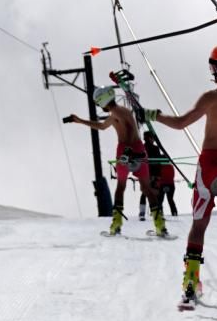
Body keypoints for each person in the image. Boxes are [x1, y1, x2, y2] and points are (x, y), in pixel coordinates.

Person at [143, 42, 217, 309]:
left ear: (213, 67)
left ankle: (191, 281)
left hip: (209, 164)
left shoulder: (210, 97)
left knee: (199, 223)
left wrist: (154, 115)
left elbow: (181, 123)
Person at [64, 85, 168, 237]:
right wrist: (80, 121)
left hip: (125, 150)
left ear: (102, 100)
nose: (100, 106)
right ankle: (160, 226)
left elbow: (129, 128)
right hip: (138, 149)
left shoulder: (118, 113)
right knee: (147, 188)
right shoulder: (117, 113)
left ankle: (116, 224)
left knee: (120, 187)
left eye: (99, 103)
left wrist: (127, 150)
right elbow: (102, 126)